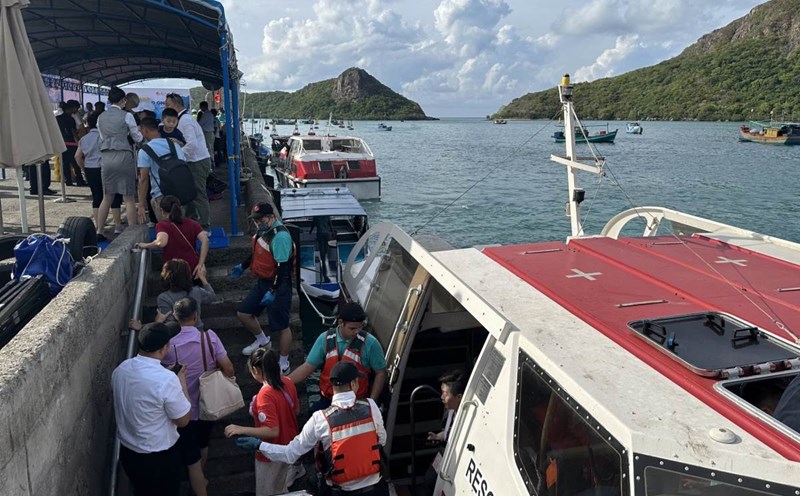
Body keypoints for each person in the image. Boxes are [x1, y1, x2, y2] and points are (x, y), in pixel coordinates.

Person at [235, 362, 389, 495]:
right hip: (376, 489)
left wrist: (259, 445)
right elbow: (381, 440)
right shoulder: (371, 407)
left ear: (332, 386)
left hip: (340, 491)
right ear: (354, 384)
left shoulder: (320, 419)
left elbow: (290, 454)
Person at [161, 297, 235, 496]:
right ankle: (200, 479)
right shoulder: (209, 337)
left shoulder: (168, 345)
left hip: (180, 408)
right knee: (203, 443)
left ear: (175, 318)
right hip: (207, 404)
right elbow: (228, 367)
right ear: (195, 316)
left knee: (186, 448)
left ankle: (193, 480)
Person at [111, 321, 190, 496]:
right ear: (163, 349)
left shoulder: (121, 370)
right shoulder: (167, 379)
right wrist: (181, 382)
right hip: (158, 458)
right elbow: (183, 420)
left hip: (129, 453)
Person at [224, 347, 300, 495]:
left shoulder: (265, 394)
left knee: (266, 492)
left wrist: (241, 429)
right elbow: (296, 410)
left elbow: (272, 430)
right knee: (281, 489)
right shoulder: (288, 382)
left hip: (270, 452)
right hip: (288, 446)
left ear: (255, 370)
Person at [230, 203, 294, 373]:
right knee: (244, 313)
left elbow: (283, 267)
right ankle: (263, 341)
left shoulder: (280, 237)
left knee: (282, 326)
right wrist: (243, 266)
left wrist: (274, 290)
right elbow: (257, 251)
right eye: (256, 220)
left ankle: (284, 361)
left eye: (261, 219)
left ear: (271, 217)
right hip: (262, 282)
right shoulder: (263, 232)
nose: (258, 223)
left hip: (278, 284)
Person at [289, 302, 386, 411]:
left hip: (357, 401)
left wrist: (372, 402)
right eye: (352, 328)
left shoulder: (371, 344)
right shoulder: (324, 339)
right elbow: (307, 366)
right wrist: (285, 382)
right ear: (341, 322)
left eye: (360, 327)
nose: (357, 332)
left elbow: (380, 372)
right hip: (328, 400)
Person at [96, 87, 142, 237]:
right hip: (123, 155)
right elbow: (137, 137)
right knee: (128, 197)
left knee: (107, 196)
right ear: (123, 101)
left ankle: (100, 230)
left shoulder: (100, 117)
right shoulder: (127, 116)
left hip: (106, 157)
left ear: (109, 100)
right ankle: (131, 232)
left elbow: (102, 138)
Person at [164, 93, 213, 229]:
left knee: (198, 193)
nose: (165, 107)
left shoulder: (185, 120)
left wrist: (179, 155)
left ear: (177, 105)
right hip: (192, 160)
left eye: (168, 105)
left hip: (197, 161)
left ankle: (204, 225)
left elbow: (192, 144)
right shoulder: (182, 119)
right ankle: (192, 220)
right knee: (189, 192)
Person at [419, 370, 467, 495]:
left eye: (445, 394)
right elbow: (448, 432)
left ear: (459, 397)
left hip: (455, 454)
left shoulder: (467, 419)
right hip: (444, 450)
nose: (442, 397)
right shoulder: (448, 411)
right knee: (429, 480)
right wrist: (438, 436)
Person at [135, 195, 209, 276]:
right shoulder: (192, 223)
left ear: (162, 211)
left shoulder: (163, 225)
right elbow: (205, 240)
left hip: (172, 270)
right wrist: (201, 264)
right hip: (192, 267)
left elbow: (161, 242)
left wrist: (145, 245)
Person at [76, 111, 123, 234]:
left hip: (91, 169)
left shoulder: (84, 139)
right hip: (107, 168)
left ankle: (99, 226)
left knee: (97, 197)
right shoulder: (107, 136)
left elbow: (77, 156)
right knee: (114, 196)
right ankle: (117, 225)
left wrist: (84, 169)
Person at [137, 116, 187, 213]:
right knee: (180, 226)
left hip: (161, 195)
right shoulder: (174, 144)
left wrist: (141, 204)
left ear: (144, 130)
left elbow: (143, 179)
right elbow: (183, 164)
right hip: (181, 194)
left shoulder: (144, 151)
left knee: (165, 226)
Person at [156, 258, 216, 329]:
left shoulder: (163, 298)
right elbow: (212, 297)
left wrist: (157, 321)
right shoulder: (196, 291)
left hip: (176, 336)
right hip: (198, 332)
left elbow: (169, 322)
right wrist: (203, 278)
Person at [55, 100, 86, 187]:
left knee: (65, 163)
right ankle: (80, 180)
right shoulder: (70, 119)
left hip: (61, 143)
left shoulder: (57, 118)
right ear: (69, 109)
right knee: (75, 163)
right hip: (71, 143)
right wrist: (78, 141)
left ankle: (67, 180)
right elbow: (73, 131)